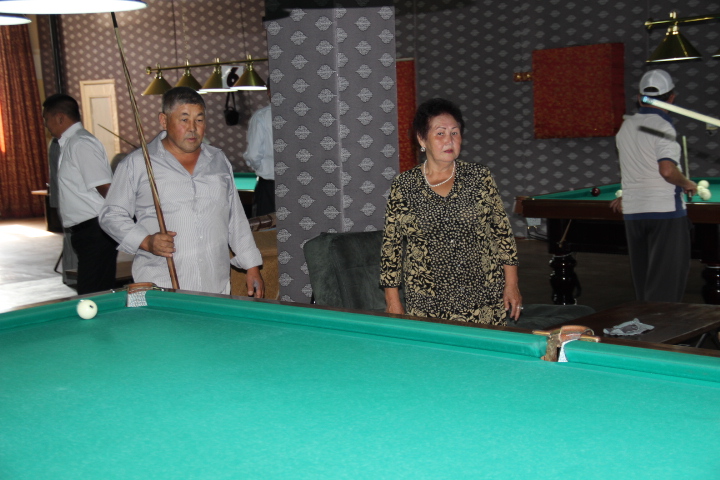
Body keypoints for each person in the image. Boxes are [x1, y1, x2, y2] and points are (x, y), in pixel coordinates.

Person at [99, 87, 264, 296]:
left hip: (215, 285)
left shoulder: (218, 160)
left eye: (199, 120)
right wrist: (146, 241)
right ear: (164, 120)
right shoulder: (138, 163)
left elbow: (235, 217)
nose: (192, 128)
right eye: (184, 119)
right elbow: (111, 215)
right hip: (162, 286)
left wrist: (251, 266)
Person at [380, 98, 522, 325]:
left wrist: (512, 285)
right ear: (421, 139)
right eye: (440, 133)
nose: (449, 140)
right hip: (427, 301)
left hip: (484, 299)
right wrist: (392, 300)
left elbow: (502, 234)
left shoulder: (479, 177)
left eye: (455, 133)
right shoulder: (404, 185)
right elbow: (391, 247)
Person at [612, 69, 696, 302]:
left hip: (634, 213)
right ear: (671, 98)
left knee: (645, 284)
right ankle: (661, 327)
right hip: (665, 212)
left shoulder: (625, 127)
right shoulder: (664, 127)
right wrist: (687, 182)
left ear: (640, 98)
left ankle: (645, 324)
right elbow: (667, 170)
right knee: (666, 289)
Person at [42, 94, 117, 295]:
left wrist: (123, 219)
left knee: (92, 293)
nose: (46, 125)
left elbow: (106, 187)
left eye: (46, 119)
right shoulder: (69, 144)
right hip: (87, 232)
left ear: (59, 117)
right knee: (93, 291)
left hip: (96, 231)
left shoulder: (81, 143)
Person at [243, 91, 275, 216]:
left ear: (268, 92)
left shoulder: (261, 116)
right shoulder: (300, 115)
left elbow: (253, 155)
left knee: (267, 226)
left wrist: (262, 169)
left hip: (269, 186)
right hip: (297, 185)